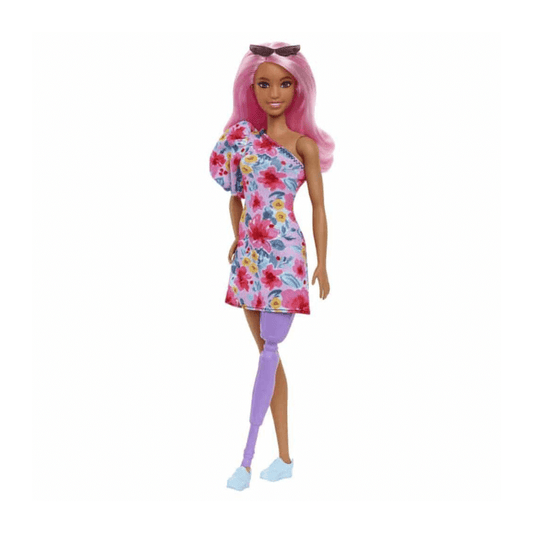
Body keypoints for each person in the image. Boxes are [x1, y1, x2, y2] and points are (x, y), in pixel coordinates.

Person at [209, 42, 334, 491]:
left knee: (269, 352)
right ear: (252, 89)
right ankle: (283, 458)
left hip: (284, 259)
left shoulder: (303, 146)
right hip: (248, 259)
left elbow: (318, 207)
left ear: (299, 90)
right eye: (264, 84)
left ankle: (245, 461)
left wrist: (323, 263)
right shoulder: (243, 138)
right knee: (267, 355)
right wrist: (237, 236)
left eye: (284, 84)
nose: (274, 93)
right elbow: (236, 197)